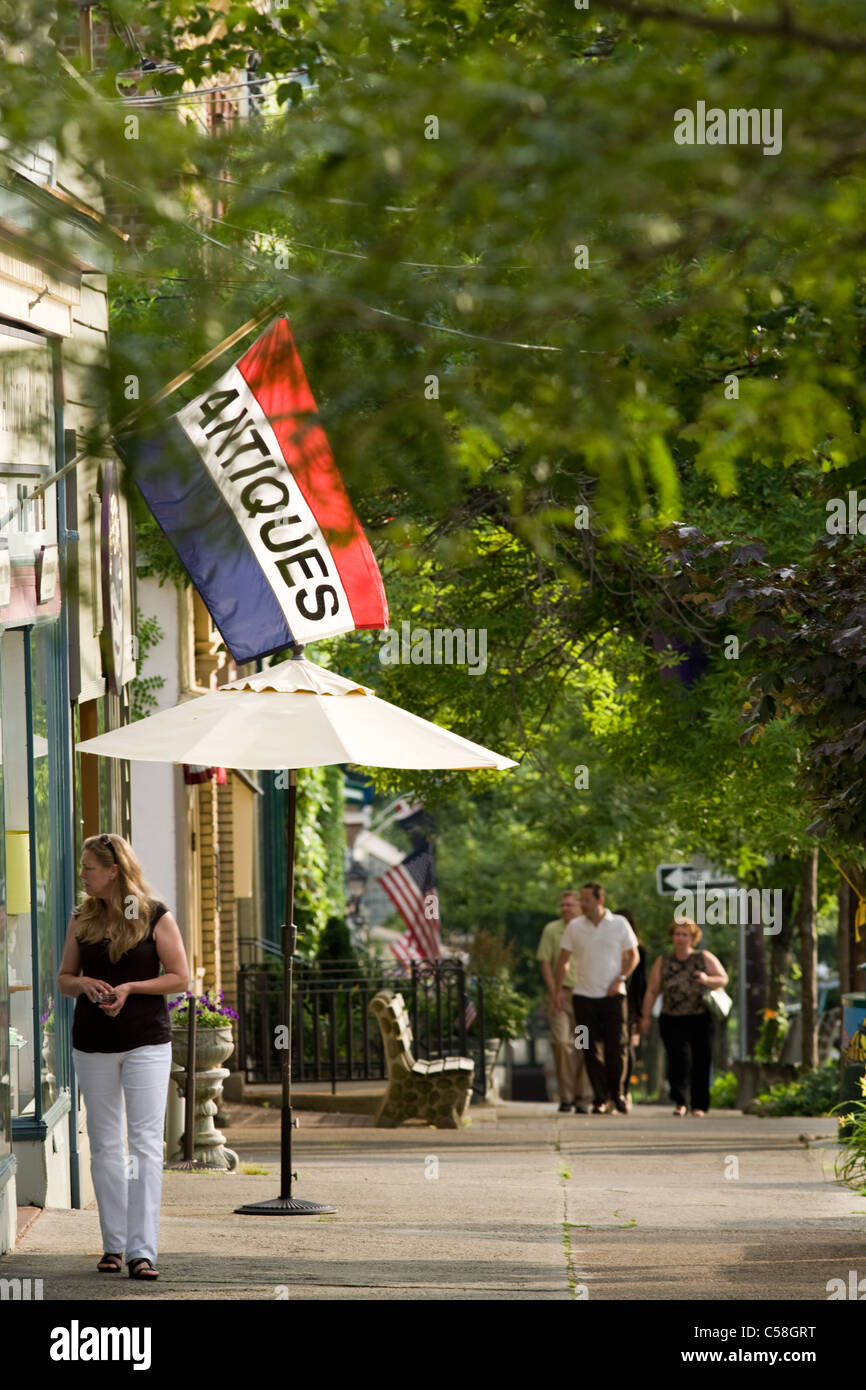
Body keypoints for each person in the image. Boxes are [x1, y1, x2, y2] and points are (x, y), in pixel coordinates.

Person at [57, 833, 189, 1280]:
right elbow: (63, 978)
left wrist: (132, 988)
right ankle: (113, 1246)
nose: (82, 874)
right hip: (92, 1043)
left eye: (89, 867)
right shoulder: (82, 917)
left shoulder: (153, 914)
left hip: (146, 1041)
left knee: (146, 1144)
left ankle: (142, 1251)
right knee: (107, 1145)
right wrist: (85, 985)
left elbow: (179, 977)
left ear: (114, 870)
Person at [553, 882, 639, 1114]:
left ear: (600, 900)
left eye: (586, 900)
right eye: (581, 899)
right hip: (582, 998)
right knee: (586, 1047)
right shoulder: (574, 927)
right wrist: (559, 991)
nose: (582, 904)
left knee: (616, 1046)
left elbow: (633, 956)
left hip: (613, 997)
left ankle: (617, 1094)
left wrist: (620, 978)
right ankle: (599, 1098)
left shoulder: (619, 924)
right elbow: (562, 960)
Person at [640, 918, 728, 1116]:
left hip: (700, 1017)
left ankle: (699, 1104)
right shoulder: (663, 961)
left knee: (701, 1059)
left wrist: (707, 979)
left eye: (685, 934)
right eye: (677, 934)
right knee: (678, 1058)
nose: (680, 938)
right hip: (672, 1017)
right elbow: (652, 991)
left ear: (693, 938)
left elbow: (723, 978)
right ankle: (680, 1101)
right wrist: (645, 1017)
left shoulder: (703, 957)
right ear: (672, 937)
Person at [537, 891, 594, 1113]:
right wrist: (555, 992)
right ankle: (566, 1095)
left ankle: (583, 1096)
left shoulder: (587, 929)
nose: (565, 909)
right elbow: (545, 962)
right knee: (561, 1043)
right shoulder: (553, 930)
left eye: (570, 905)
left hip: (584, 997)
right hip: (561, 997)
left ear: (580, 907)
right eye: (563, 905)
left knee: (583, 1045)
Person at [615, 908, 647, 1111]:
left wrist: (640, 1014)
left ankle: (623, 1091)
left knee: (625, 1048)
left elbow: (641, 984)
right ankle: (603, 1094)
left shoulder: (639, 952)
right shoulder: (606, 947)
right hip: (599, 1003)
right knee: (585, 1043)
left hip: (629, 1006)